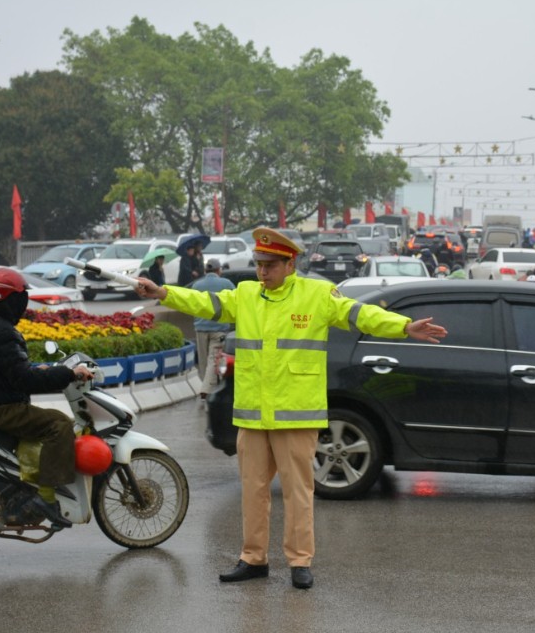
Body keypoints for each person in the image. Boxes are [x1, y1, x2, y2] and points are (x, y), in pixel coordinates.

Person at [133, 228, 447, 590]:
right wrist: (163, 292)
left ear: (290, 264)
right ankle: (253, 559)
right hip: (253, 415)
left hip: (297, 414)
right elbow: (206, 303)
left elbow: (359, 315)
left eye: (269, 266)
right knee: (253, 490)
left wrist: (405, 326)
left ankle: (300, 561)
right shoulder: (247, 294)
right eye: (258, 265)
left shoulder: (316, 295)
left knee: (299, 492)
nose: (262, 273)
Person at [0, 268, 93, 531]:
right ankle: (45, 497)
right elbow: (23, 379)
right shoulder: (0, 331)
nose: (25, 303)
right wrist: (67, 373)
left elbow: (7, 370)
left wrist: (39, 370)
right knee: (58, 424)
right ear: (11, 300)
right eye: (22, 297)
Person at [189, 258, 234, 399]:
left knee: (202, 361)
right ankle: (207, 390)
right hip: (219, 329)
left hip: (200, 329)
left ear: (205, 271)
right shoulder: (226, 283)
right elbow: (237, 300)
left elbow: (191, 305)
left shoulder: (196, 285)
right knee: (213, 359)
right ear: (219, 270)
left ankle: (205, 385)